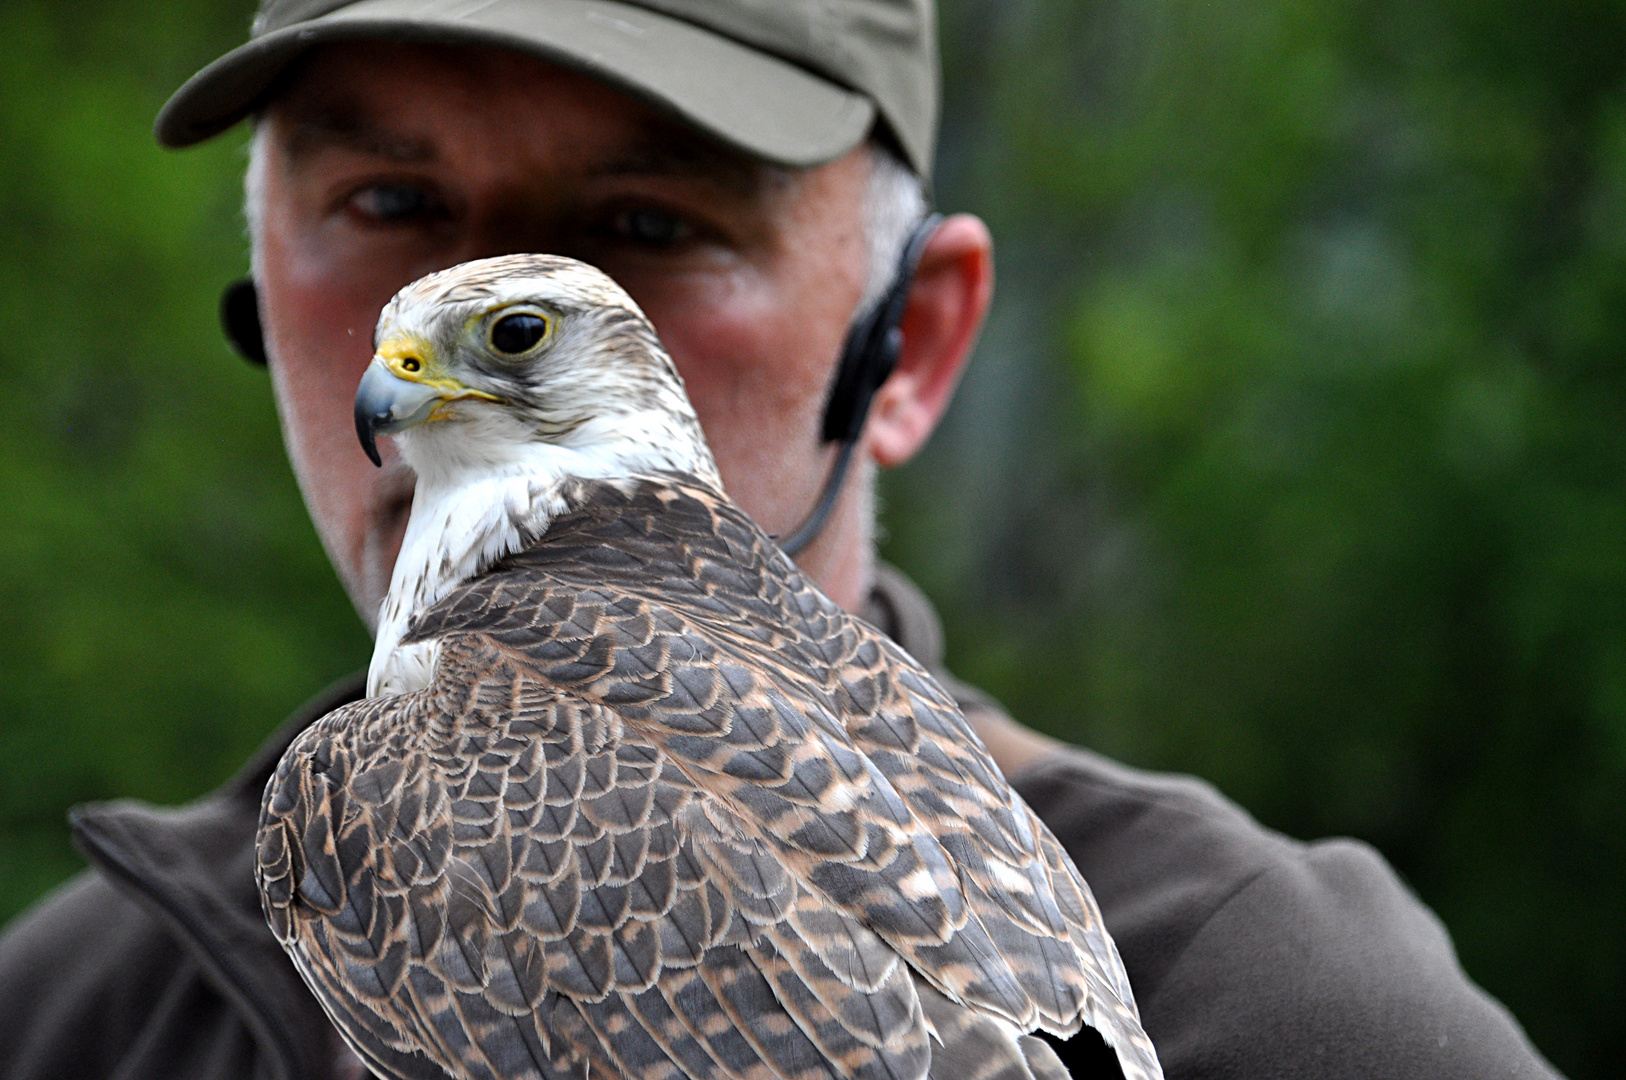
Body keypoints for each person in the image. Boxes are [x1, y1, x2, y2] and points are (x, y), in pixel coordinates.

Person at [0, 2, 1563, 1078]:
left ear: (917, 339)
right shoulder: (75, 1015)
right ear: (265, 287)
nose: (469, 296)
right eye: (389, 195)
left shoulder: (1291, 1007)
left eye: (651, 223)